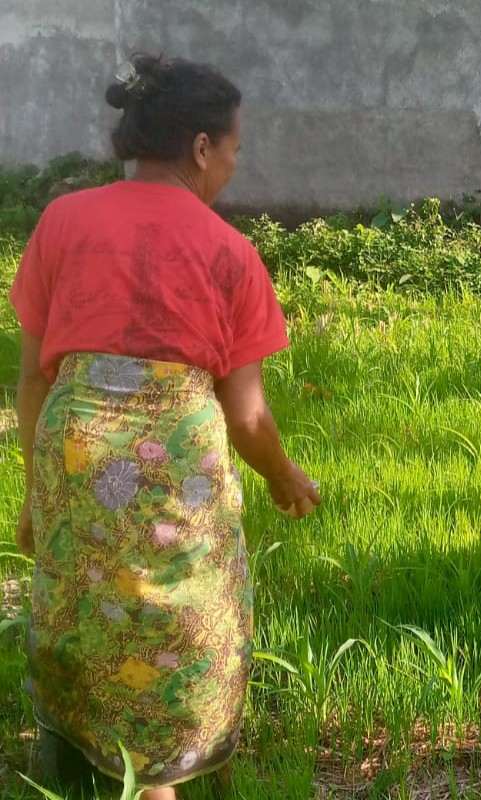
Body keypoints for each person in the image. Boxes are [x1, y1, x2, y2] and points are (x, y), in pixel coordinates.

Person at [11, 53, 320, 797]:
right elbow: (246, 415)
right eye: (236, 150)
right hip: (171, 468)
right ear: (202, 147)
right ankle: (159, 779)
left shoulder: (62, 221)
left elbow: (32, 379)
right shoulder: (229, 253)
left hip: (72, 451)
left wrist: (35, 494)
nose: (234, 167)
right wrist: (285, 477)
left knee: (83, 601)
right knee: (177, 611)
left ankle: (80, 751)